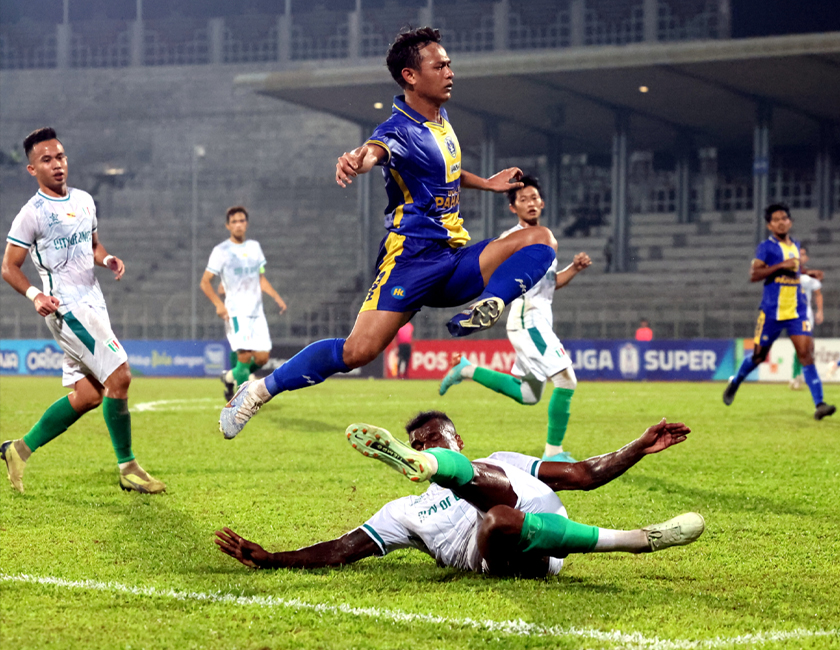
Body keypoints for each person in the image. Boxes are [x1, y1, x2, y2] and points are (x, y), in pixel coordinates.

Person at [219, 27, 557, 439]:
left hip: (453, 259)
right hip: (410, 260)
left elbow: (443, 173)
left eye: (449, 64)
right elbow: (374, 152)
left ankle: (491, 303)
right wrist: (356, 160)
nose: (450, 71)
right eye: (440, 65)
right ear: (411, 76)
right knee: (357, 351)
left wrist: (486, 183)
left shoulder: (441, 120)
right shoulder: (398, 130)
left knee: (541, 239)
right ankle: (256, 391)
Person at [215, 411, 704, 577]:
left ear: (457, 440)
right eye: (418, 444)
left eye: (433, 439)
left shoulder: (508, 460)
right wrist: (275, 558)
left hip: (544, 528)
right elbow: (344, 549)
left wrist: (638, 446)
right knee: (497, 520)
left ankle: (441, 469)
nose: (426, 438)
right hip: (505, 552)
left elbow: (584, 474)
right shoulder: (404, 511)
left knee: (493, 489)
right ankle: (636, 539)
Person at [0, 127, 165, 494]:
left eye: (60, 157)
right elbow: (9, 266)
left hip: (94, 303)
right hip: (66, 309)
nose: (57, 165)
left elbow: (91, 246)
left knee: (89, 395)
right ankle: (128, 468)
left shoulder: (86, 200)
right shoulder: (31, 215)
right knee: (120, 377)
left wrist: (106, 258)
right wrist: (34, 296)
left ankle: (18, 450)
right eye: (46, 160)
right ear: (32, 170)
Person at [439, 176, 590, 462]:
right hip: (527, 318)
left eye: (534, 198)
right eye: (523, 199)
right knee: (567, 381)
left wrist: (575, 268)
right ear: (513, 208)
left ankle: (467, 370)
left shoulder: (542, 238)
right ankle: (553, 454)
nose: (530, 203)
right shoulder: (513, 240)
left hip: (538, 316)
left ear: (542, 203)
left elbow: (551, 283)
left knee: (528, 394)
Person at [723, 204, 834, 420]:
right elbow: (754, 275)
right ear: (769, 225)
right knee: (758, 356)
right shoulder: (766, 247)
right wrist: (781, 265)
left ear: (790, 221)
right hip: (772, 312)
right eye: (776, 219)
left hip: (796, 310)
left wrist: (809, 272)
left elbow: (795, 270)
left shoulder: (795, 246)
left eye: (784, 218)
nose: (781, 222)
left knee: (805, 353)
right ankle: (735, 382)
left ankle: (819, 404)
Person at [200, 206, 286, 401]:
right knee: (245, 355)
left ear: (246, 224)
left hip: (257, 311)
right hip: (236, 312)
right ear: (228, 226)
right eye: (234, 222)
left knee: (262, 358)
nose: (238, 225)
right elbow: (205, 282)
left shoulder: (255, 247)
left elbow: (261, 279)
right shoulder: (221, 251)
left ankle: (230, 376)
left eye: (241, 221)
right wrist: (218, 304)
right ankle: (241, 402)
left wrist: (276, 297)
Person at [790, 244, 823, 390]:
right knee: (800, 346)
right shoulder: (790, 273)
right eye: (798, 254)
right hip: (791, 314)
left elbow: (818, 293)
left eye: (803, 254)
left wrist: (820, 311)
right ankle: (795, 375)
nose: (800, 257)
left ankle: (799, 376)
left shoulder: (809, 279)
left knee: (807, 346)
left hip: (806, 315)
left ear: (807, 257)